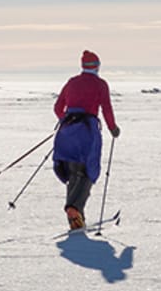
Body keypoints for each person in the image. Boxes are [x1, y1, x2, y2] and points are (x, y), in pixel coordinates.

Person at [52, 50, 121, 229]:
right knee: (87, 171)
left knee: (72, 172)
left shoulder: (72, 82)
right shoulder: (100, 85)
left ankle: (76, 216)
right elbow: (106, 109)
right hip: (87, 132)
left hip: (66, 132)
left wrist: (67, 120)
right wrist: (113, 128)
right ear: (97, 66)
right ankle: (74, 208)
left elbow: (58, 107)